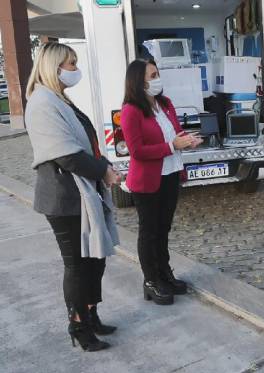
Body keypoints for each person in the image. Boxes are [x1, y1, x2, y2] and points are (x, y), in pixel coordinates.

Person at [25, 42, 121, 351]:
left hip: (81, 192)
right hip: (64, 198)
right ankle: (78, 326)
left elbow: (85, 146)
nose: (74, 70)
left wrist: (102, 164)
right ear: (53, 67)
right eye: (70, 64)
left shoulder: (58, 99)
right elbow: (66, 155)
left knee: (95, 260)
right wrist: (103, 171)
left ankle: (91, 314)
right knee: (78, 265)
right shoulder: (42, 102)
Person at [121, 59, 202, 305]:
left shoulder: (165, 104)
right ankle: (151, 280)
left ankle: (165, 274)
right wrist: (171, 146)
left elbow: (174, 133)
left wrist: (186, 139)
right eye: (153, 75)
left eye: (157, 74)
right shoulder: (130, 110)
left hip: (171, 174)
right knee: (149, 232)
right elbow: (137, 151)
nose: (158, 79)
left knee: (163, 228)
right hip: (147, 181)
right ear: (139, 81)